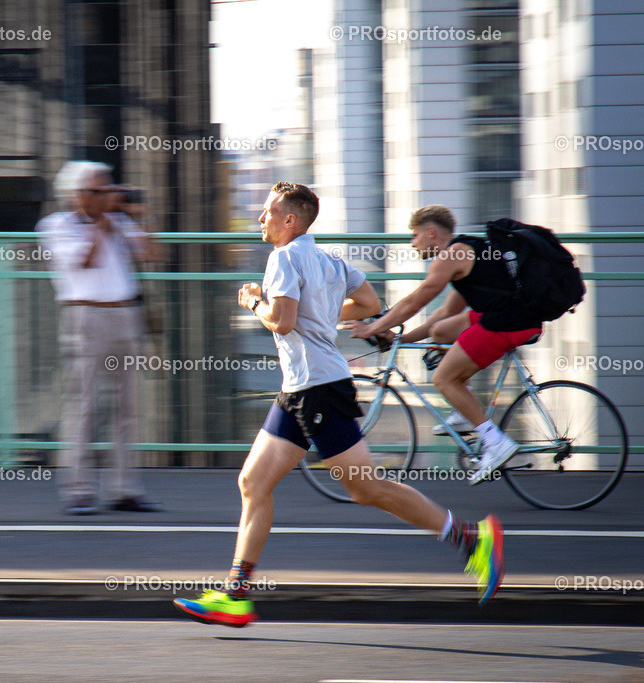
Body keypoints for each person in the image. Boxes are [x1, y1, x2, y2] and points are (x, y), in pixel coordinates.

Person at [173, 183, 502, 628]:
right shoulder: (330, 261)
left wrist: (254, 301)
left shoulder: (283, 259)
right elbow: (369, 303)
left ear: (291, 220)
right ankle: (235, 595)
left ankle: (473, 539)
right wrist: (322, 312)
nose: (261, 219)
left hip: (319, 390)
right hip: (300, 389)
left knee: (366, 488)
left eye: (268, 211)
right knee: (253, 482)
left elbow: (282, 321)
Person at [349, 205, 543, 483]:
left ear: (430, 232)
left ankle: (496, 443)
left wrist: (372, 328)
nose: (413, 243)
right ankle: (464, 412)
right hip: (509, 316)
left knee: (443, 379)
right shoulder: (466, 250)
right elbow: (443, 315)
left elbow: (414, 301)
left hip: (509, 322)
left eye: (415, 235)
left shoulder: (451, 256)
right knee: (442, 331)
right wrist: (400, 339)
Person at [38, 161, 160, 515]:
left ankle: (123, 489)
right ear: (76, 195)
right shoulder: (56, 225)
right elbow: (84, 261)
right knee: (83, 405)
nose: (107, 196)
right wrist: (103, 223)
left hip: (126, 314)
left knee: (129, 406)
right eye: (98, 190)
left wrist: (141, 217)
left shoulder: (118, 222)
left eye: (109, 189)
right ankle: (78, 490)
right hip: (86, 316)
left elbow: (151, 254)